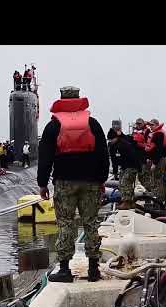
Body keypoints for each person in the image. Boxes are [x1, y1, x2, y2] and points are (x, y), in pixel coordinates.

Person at [38, 86, 109, 283]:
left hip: (65, 183)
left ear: (61, 100)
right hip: (91, 183)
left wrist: (42, 184)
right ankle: (94, 269)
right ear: (79, 99)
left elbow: (45, 158)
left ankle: (64, 269)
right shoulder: (93, 124)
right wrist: (102, 179)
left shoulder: (53, 126)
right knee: (91, 223)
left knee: (66, 224)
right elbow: (104, 155)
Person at [107, 128, 141, 209]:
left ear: (116, 137)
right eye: (110, 139)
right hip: (124, 167)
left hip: (131, 166)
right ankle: (129, 201)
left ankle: (127, 201)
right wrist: (115, 172)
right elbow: (114, 160)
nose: (111, 140)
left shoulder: (124, 144)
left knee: (125, 182)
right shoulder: (112, 147)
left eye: (112, 139)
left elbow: (134, 156)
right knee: (121, 183)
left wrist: (138, 168)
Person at [145, 119, 166, 203]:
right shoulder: (156, 133)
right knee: (161, 179)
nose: (151, 127)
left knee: (157, 179)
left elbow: (158, 150)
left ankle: (159, 201)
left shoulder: (159, 134)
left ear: (157, 125)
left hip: (159, 160)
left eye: (152, 125)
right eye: (150, 125)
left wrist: (154, 163)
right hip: (159, 159)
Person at [131, 118, 152, 192]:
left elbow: (149, 145)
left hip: (144, 157)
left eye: (140, 123)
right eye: (137, 123)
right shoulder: (134, 131)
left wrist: (138, 144)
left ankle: (150, 194)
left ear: (143, 123)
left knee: (144, 177)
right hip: (136, 157)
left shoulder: (148, 131)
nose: (138, 125)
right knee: (135, 176)